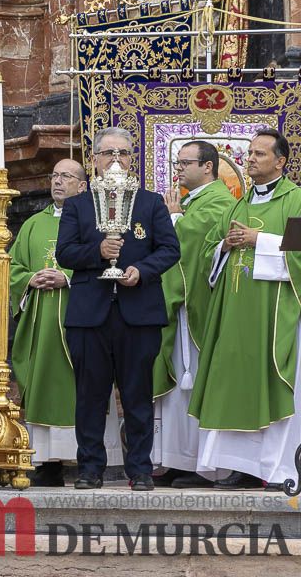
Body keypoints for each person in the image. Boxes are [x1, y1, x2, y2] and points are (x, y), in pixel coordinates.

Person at [56, 127, 179, 491]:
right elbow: (65, 253)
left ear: (131, 159)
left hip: (138, 312)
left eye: (122, 153)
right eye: (108, 153)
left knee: (137, 395)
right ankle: (90, 468)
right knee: (90, 396)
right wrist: (97, 252)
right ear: (94, 160)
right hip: (90, 313)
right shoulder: (78, 205)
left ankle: (140, 469)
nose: (115, 160)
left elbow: (169, 249)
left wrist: (141, 270)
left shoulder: (150, 202)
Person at [190, 128, 301, 489]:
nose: (249, 159)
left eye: (259, 154)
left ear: (280, 161)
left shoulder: (296, 200)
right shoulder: (238, 205)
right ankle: (240, 465)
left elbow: (299, 253)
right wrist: (224, 246)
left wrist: (259, 240)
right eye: (249, 153)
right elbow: (207, 255)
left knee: (270, 384)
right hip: (234, 313)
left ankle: (273, 467)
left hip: (274, 314)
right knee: (231, 385)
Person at [9, 159, 122, 487]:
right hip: (42, 319)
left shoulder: (97, 220)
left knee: (85, 383)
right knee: (43, 380)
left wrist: (67, 277)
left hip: (81, 312)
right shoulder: (32, 224)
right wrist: (30, 279)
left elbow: (109, 261)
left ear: (83, 185)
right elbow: (12, 267)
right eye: (55, 175)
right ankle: (46, 460)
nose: (58, 181)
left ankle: (87, 460)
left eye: (67, 176)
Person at [152, 141, 235, 488]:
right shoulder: (189, 202)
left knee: (197, 382)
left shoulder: (220, 201)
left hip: (198, 310)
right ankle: (176, 459)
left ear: (208, 167)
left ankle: (204, 465)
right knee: (177, 392)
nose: (179, 169)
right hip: (180, 310)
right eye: (177, 162)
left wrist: (173, 219)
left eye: (185, 163)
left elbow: (194, 241)